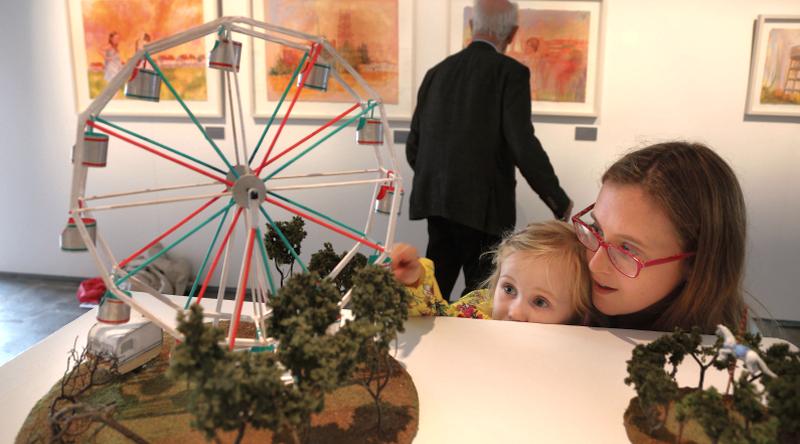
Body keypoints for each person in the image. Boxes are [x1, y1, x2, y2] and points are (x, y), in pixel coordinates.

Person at [406, 0, 572, 302]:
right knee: (484, 297)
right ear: (512, 33)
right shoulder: (511, 73)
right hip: (484, 208)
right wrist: (558, 200)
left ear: (472, 26)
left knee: (433, 294)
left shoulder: (437, 73)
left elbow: (414, 146)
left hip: (438, 205)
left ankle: (432, 350)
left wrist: (441, 182)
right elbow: (523, 144)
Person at [572, 141, 748, 333]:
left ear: (695, 264)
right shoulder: (569, 300)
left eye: (626, 248)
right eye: (597, 229)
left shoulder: (730, 354)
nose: (594, 265)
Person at [392, 221, 591, 324]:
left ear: (576, 316)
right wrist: (413, 282)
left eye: (540, 301)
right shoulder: (472, 313)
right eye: (509, 289)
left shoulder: (579, 352)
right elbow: (432, 319)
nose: (515, 312)